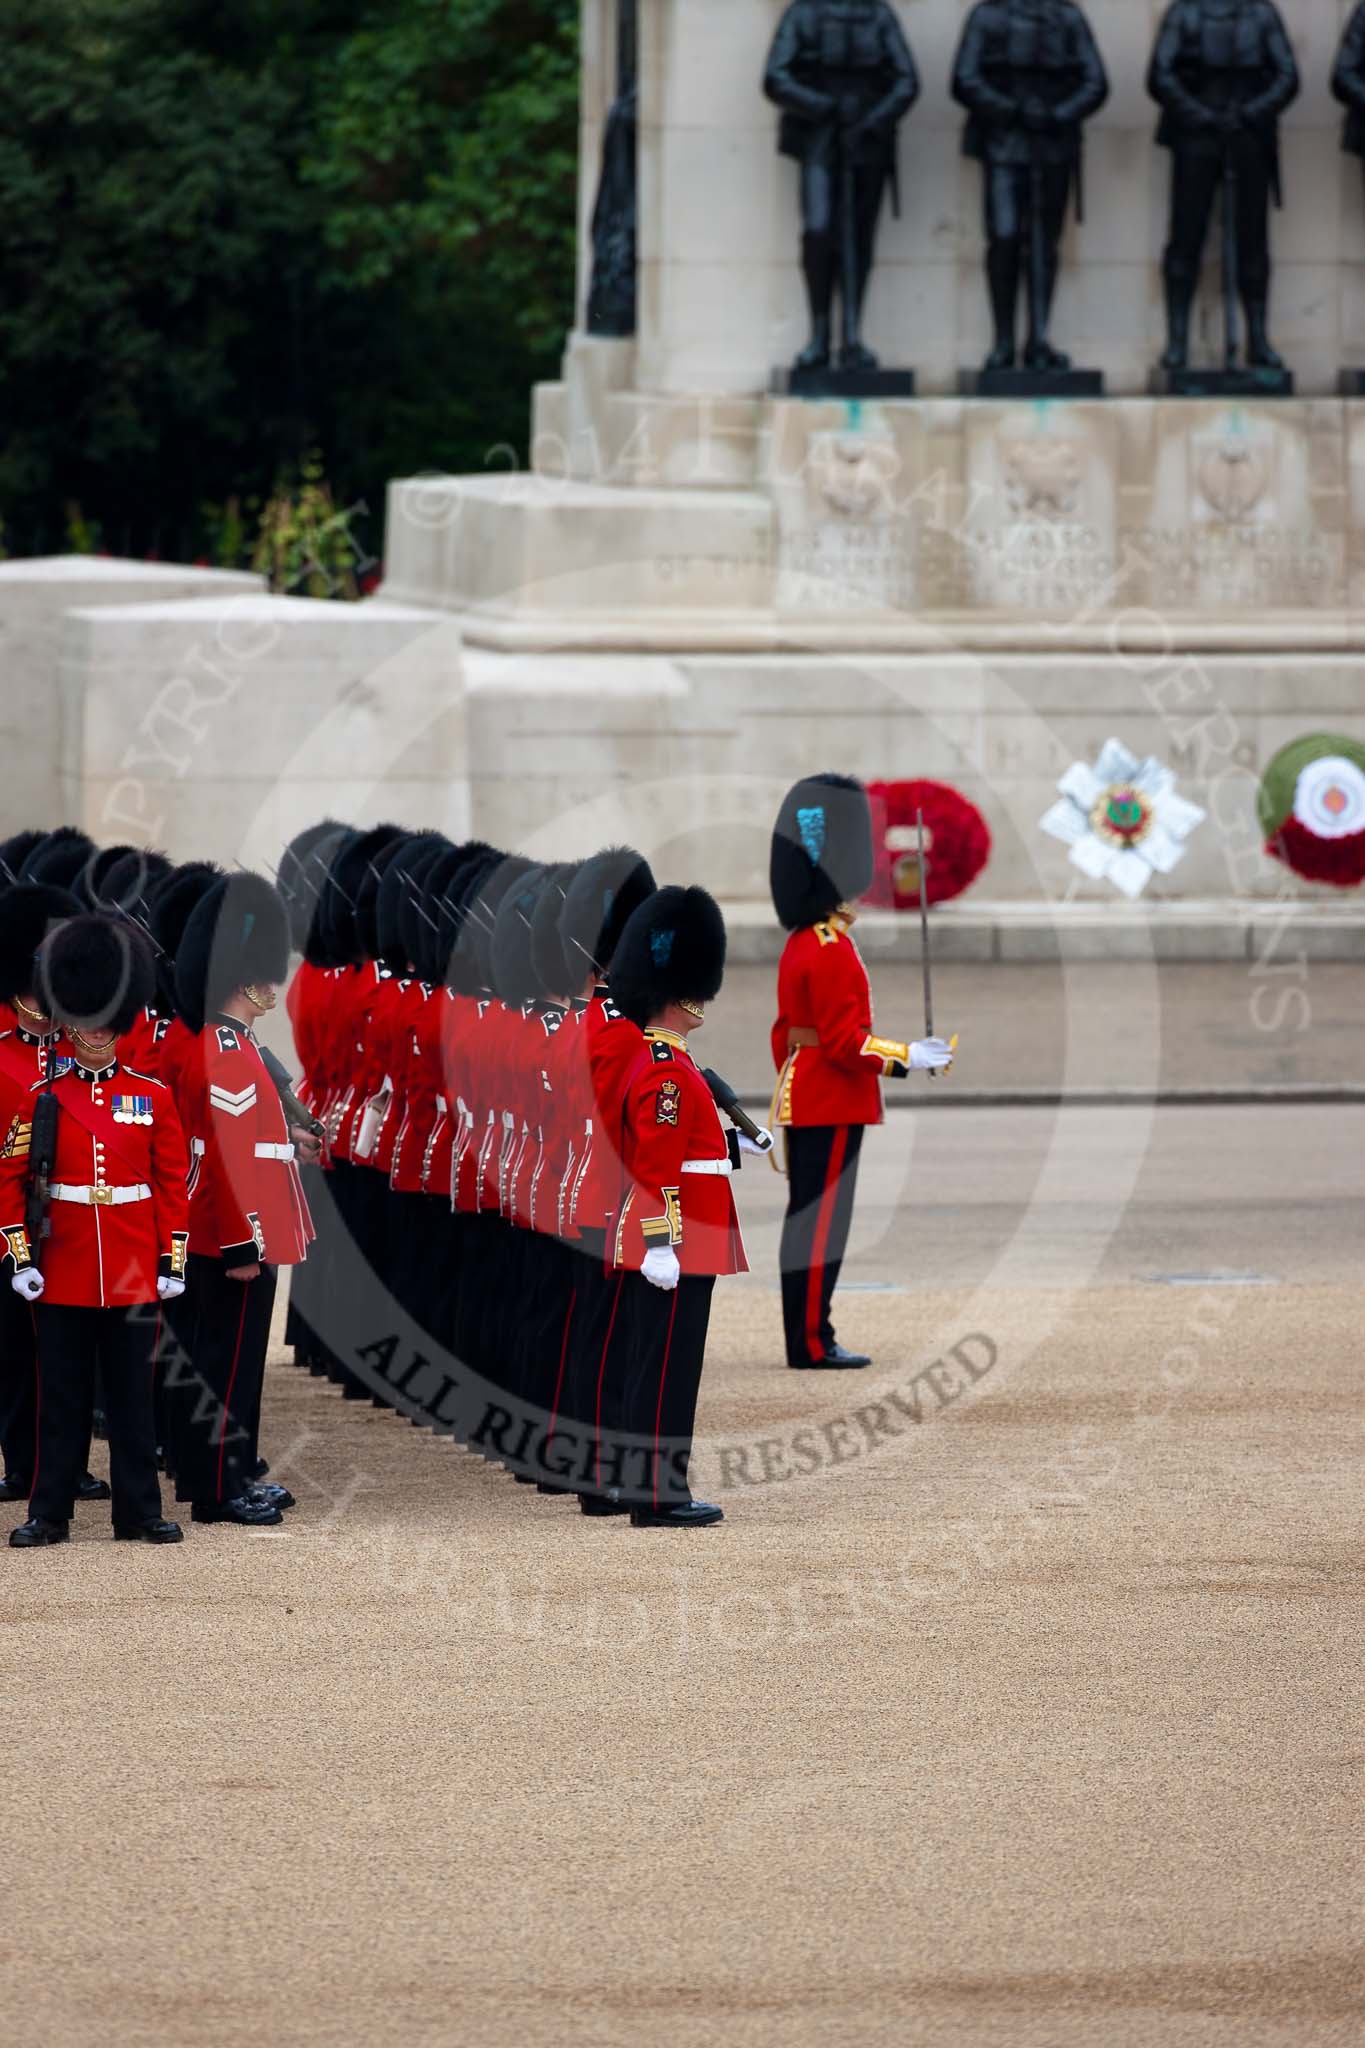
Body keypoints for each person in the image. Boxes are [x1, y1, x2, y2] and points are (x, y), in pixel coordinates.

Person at [3, 914, 189, 1547]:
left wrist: (173, 1261)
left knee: (135, 1401)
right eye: (87, 1018)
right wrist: (19, 1256)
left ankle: (138, 1511)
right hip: (62, 1267)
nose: (98, 1032)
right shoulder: (41, 1096)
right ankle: (48, 1511)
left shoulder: (152, 1096)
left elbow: (170, 1187)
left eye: (108, 1019)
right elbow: (10, 1182)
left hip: (134, 1267)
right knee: (61, 1399)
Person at [769, 774, 955, 1372]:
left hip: (814, 1093)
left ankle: (811, 1333)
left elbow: (791, 1036)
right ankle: (812, 1342)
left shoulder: (807, 940)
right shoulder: (828, 948)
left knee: (813, 1222)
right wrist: (910, 1055)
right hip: (831, 1099)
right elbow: (846, 1044)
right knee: (821, 1226)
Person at [594, 885, 746, 1529]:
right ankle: (659, 1493)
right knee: (665, 1367)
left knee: (657, 1361)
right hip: (676, 1235)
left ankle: (642, 1481)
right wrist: (661, 1242)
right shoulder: (663, 1066)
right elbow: (657, 1164)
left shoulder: (672, 1061)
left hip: (683, 1230)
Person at [167, 872, 314, 1526]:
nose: (274, 984)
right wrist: (241, 1240)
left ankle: (230, 1473)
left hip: (245, 1222)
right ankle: (218, 1487)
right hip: (233, 1230)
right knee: (224, 1366)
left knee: (235, 1363)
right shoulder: (223, 1051)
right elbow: (226, 1158)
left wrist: (290, 1142)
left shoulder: (237, 1045)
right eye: (264, 972)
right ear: (241, 977)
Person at [951, 0, 1108, 372]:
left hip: (1052, 145)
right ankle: (1003, 341)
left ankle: (1038, 339)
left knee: (1043, 243)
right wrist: (1011, 111)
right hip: (1002, 144)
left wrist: (1057, 114)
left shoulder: (1068, 16)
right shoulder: (986, 15)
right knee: (1004, 237)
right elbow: (965, 79)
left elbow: (1096, 82)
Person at [763, 0, 919, 372]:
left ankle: (851, 335)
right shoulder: (803, 13)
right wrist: (825, 107)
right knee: (818, 231)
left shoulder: (879, 15)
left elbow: (907, 80)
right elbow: (776, 77)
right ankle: (819, 334)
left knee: (858, 238)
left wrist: (872, 119)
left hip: (866, 143)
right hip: (818, 141)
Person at [1147, 0, 1298, 373]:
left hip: (1248, 135)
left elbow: (1287, 76)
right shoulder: (1184, 13)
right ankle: (1177, 342)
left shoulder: (1261, 13)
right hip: (1196, 137)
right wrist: (1201, 115)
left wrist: (1251, 112)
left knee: (1253, 240)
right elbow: (1160, 75)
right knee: (1186, 237)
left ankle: (1258, 339)